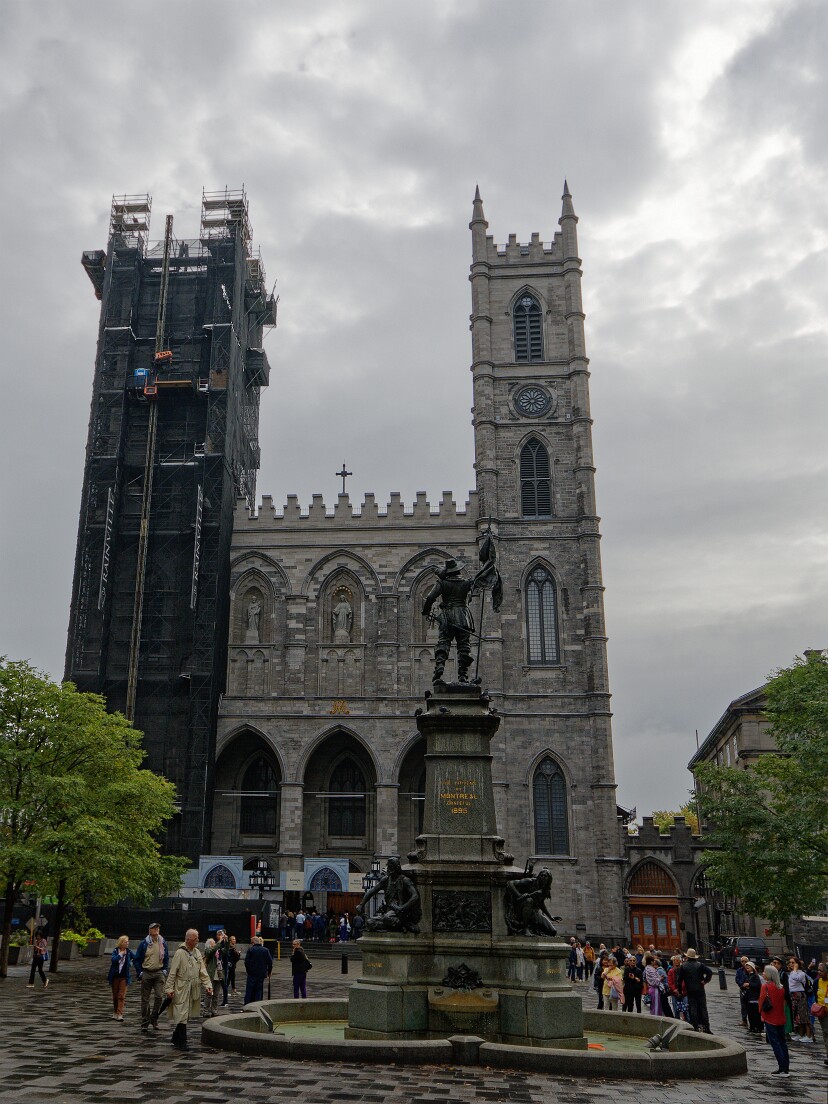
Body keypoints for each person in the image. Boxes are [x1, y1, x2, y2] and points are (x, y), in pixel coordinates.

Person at [166, 929, 213, 1052]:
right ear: (188, 939)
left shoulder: (197, 952)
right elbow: (172, 973)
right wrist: (169, 988)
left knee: (186, 1015)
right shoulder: (179, 953)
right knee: (182, 1013)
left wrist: (208, 985)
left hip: (193, 987)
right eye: (195, 938)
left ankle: (176, 1037)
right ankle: (182, 1042)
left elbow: (202, 970)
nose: (198, 940)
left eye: (197, 938)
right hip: (181, 987)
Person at [134, 921, 168, 1033]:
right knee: (145, 999)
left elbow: (166, 957)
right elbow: (137, 958)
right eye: (154, 928)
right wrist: (140, 972)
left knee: (159, 997)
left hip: (159, 972)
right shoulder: (144, 943)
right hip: (147, 972)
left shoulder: (163, 942)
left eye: (158, 928)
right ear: (150, 930)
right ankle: (145, 1022)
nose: (157, 929)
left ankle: (154, 1018)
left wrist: (164, 970)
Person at [759, 965, 790, 1077]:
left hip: (770, 1018)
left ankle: (781, 1068)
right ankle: (786, 1067)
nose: (763, 973)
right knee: (783, 1043)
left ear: (769, 974)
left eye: (764, 972)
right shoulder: (781, 988)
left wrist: (762, 1015)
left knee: (775, 1043)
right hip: (780, 1018)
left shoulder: (765, 986)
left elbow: (761, 1002)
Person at [677, 948, 713, 1033]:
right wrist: (705, 980)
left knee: (693, 1008)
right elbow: (710, 972)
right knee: (703, 1008)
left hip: (690, 989)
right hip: (700, 989)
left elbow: (679, 980)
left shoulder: (684, 966)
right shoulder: (700, 965)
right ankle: (706, 1027)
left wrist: (680, 991)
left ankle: (695, 1026)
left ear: (687, 956)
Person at [108, 935, 140, 1022]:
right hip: (115, 976)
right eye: (126, 942)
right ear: (121, 943)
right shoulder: (115, 951)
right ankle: (115, 1012)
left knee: (121, 996)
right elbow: (113, 960)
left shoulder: (129, 952)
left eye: (128, 942)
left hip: (124, 977)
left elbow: (136, 957)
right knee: (115, 996)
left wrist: (131, 962)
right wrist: (120, 954)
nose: (127, 943)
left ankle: (120, 1014)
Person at [787, 956, 813, 1043]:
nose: (791, 964)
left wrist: (795, 969)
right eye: (790, 962)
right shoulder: (791, 973)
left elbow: (796, 978)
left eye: (793, 962)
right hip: (793, 995)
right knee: (797, 1016)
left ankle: (809, 1035)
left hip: (800, 995)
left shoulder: (800, 973)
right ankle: (800, 1034)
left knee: (803, 1016)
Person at [243, 936, 273, 1004]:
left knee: (249, 990)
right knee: (259, 990)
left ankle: (248, 1004)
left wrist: (248, 971)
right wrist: (269, 971)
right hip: (261, 973)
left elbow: (246, 962)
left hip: (252, 973)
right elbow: (270, 962)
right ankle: (257, 1003)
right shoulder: (265, 950)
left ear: (253, 942)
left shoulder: (251, 950)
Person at [811, 961, 828, 1066]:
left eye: (821, 970)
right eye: (818, 970)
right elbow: (816, 996)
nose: (819, 972)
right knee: (825, 1033)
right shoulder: (817, 981)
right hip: (822, 1012)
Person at [202, 938, 222, 1017]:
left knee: (216, 994)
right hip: (211, 974)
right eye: (213, 943)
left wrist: (226, 941)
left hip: (218, 974)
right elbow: (212, 951)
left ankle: (214, 1010)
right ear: (209, 944)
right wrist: (219, 942)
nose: (215, 943)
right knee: (209, 994)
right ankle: (206, 1011)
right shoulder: (208, 950)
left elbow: (225, 950)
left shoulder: (218, 951)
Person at [742, 962, 763, 1033]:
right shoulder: (747, 976)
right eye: (746, 966)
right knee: (750, 1014)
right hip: (749, 998)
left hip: (755, 998)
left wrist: (749, 984)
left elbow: (757, 985)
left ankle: (758, 1027)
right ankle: (752, 1027)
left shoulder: (755, 976)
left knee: (756, 1014)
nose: (747, 967)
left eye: (749, 966)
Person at [667, 954, 688, 1021]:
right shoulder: (671, 971)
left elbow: (684, 981)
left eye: (677, 960)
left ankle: (688, 1023)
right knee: (676, 1010)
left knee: (685, 1010)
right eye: (674, 960)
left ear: (680, 961)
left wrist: (681, 990)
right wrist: (675, 990)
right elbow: (670, 982)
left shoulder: (684, 970)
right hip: (674, 993)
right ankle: (677, 1022)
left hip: (683, 992)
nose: (675, 962)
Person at [223, 935, 241, 1000]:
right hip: (230, 965)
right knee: (229, 978)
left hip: (233, 965)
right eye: (233, 939)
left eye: (235, 939)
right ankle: (225, 991)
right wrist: (238, 954)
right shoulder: (230, 948)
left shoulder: (233, 947)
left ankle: (234, 989)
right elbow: (232, 957)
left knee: (233, 977)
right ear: (230, 941)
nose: (234, 940)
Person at [734, 955, 750, 1027]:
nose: (744, 963)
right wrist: (742, 984)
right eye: (742, 961)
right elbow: (737, 979)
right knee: (743, 1005)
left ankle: (750, 1020)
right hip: (742, 989)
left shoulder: (750, 970)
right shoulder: (739, 970)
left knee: (750, 1005)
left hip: (749, 990)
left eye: (745, 961)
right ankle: (744, 1020)